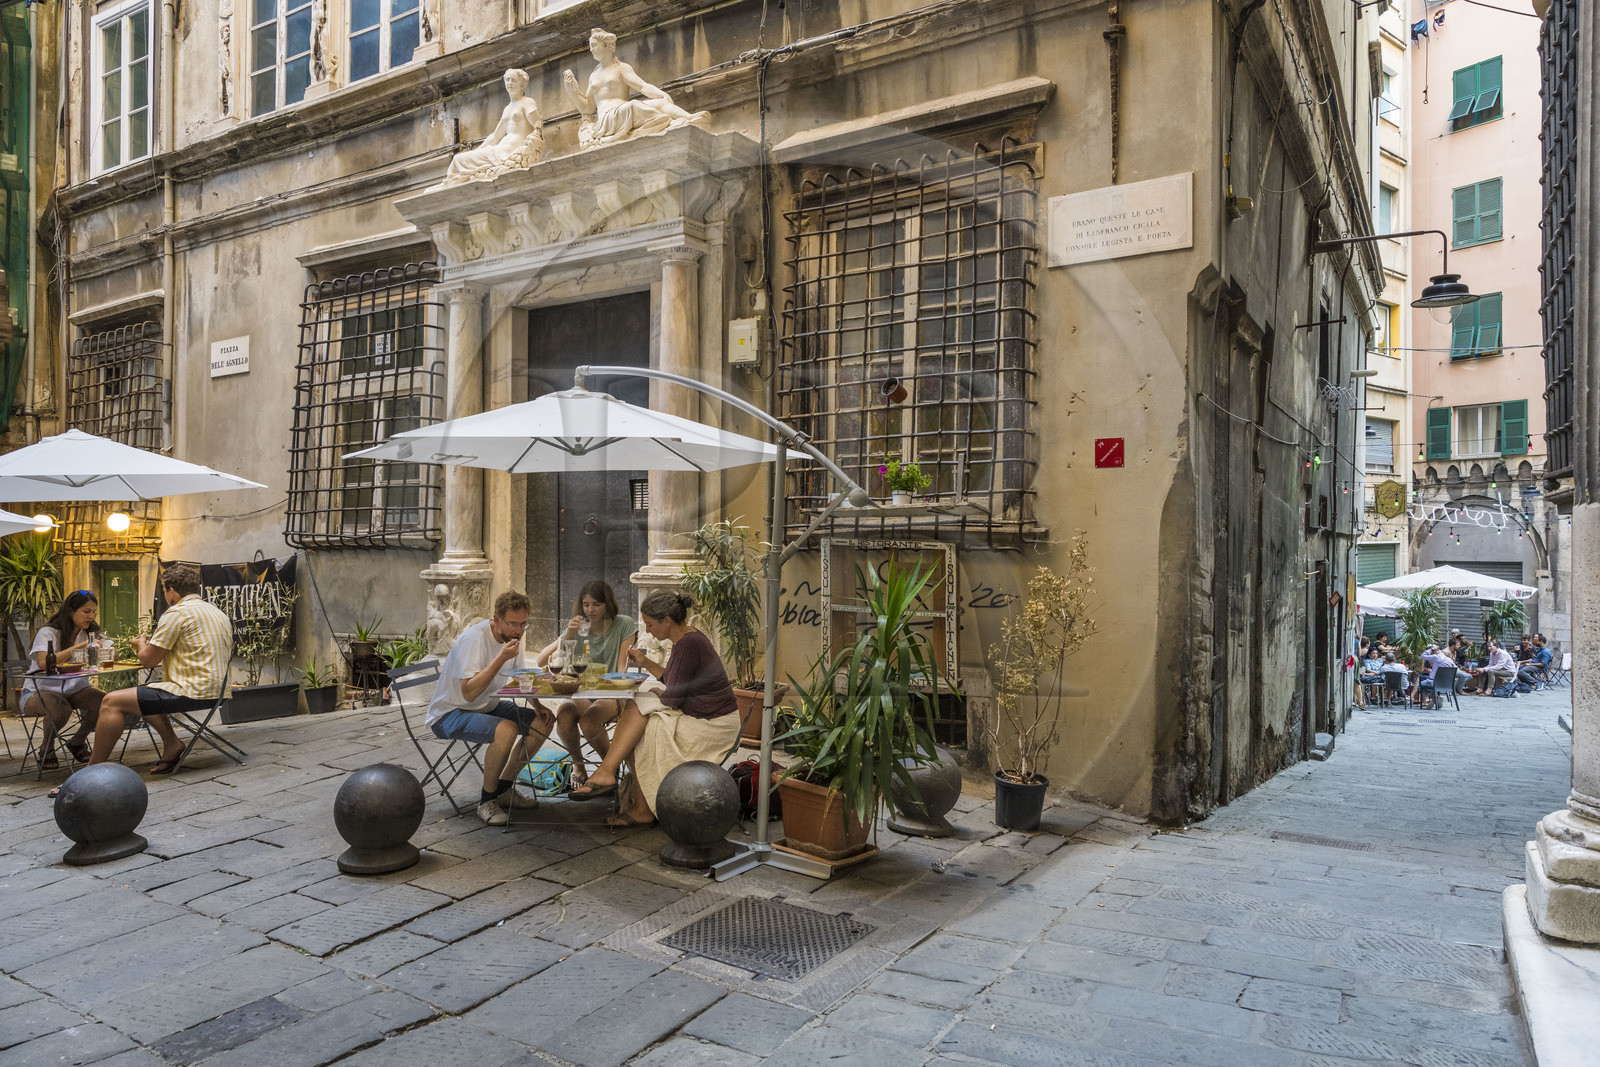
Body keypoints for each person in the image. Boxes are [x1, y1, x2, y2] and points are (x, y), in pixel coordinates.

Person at [567, 589, 739, 829]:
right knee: (637, 713)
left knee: (640, 717)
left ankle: (621, 786)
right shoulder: (687, 638)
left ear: (666, 621)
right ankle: (630, 794)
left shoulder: (689, 643)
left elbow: (673, 698)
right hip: (702, 714)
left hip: (712, 725)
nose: (647, 630)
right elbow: (673, 679)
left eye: (649, 624)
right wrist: (645, 662)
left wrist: (658, 693)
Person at [426, 591, 555, 825]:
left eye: (524, 623)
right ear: (496, 619)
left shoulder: (512, 638)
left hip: (486, 706)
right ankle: (487, 801)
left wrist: (537, 705)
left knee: (543, 721)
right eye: (513, 624)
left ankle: (504, 789)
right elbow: (469, 692)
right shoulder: (474, 639)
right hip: (451, 713)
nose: (519, 630)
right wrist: (500, 659)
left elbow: (519, 678)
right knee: (505, 729)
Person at [91, 564, 233, 773]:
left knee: (110, 701)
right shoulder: (216, 612)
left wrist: (140, 643)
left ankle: (91, 770)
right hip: (219, 691)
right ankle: (172, 744)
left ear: (172, 591)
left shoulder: (177, 613)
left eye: (165, 591)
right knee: (144, 691)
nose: (166, 596)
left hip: (191, 692)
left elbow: (147, 660)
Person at [534, 581, 637, 788]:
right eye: (586, 604)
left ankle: (609, 768)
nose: (590, 610)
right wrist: (567, 636)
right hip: (580, 692)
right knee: (564, 715)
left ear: (608, 603)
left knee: (589, 720)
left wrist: (617, 696)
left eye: (597, 604)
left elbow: (621, 668)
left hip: (609, 692)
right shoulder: (578, 627)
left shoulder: (624, 624)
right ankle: (579, 765)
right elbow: (541, 661)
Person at [562, 28, 708, 149]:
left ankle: (689, 119)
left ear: (606, 46)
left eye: (594, 45)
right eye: (590, 46)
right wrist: (571, 89)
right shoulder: (593, 75)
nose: (591, 49)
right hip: (608, 119)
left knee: (660, 103)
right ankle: (668, 122)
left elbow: (643, 86)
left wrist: (661, 94)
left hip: (623, 111)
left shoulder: (621, 68)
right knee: (633, 105)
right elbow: (587, 108)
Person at [22, 590, 104, 769]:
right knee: (59, 706)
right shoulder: (48, 632)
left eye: (94, 612)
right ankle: (47, 748)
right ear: (70, 611)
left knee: (106, 703)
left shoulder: (90, 632)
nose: (91, 616)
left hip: (74, 688)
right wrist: (79, 647)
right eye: (86, 611)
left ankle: (77, 741)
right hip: (38, 690)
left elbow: (112, 652)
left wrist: (105, 649)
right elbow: (44, 663)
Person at [431, 69, 543, 188]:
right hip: (499, 150)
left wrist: (537, 128)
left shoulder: (527, 102)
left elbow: (537, 121)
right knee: (459, 159)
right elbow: (495, 136)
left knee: (459, 160)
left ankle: (450, 184)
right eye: (507, 80)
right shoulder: (507, 108)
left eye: (514, 80)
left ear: (522, 85)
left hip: (509, 152)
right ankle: (451, 183)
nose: (510, 83)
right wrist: (478, 150)